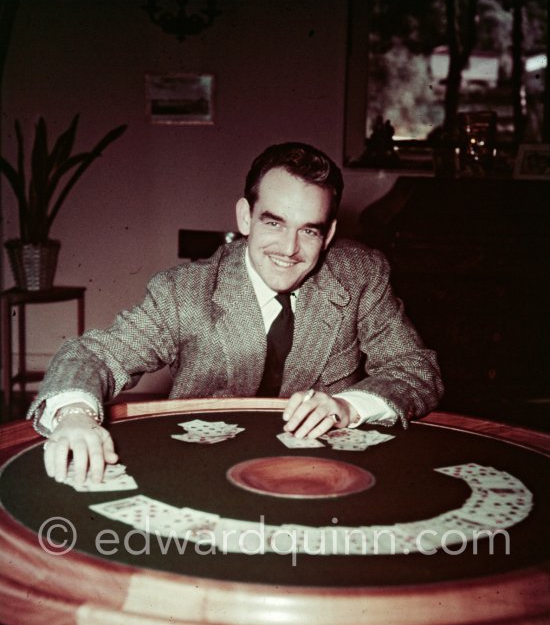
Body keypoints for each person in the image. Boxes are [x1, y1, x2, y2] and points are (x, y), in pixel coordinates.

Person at [30, 142, 443, 484]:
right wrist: (76, 416)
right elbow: (93, 355)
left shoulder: (360, 275)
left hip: (322, 475)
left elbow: (416, 369)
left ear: (329, 233)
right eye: (274, 223)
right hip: (201, 473)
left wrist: (349, 407)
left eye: (310, 230)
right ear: (246, 217)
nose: (289, 249)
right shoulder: (184, 291)